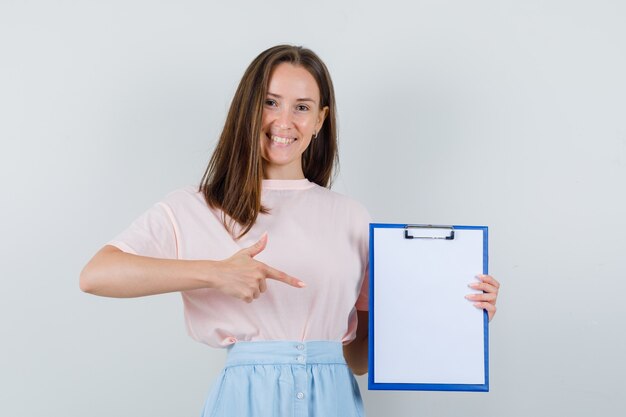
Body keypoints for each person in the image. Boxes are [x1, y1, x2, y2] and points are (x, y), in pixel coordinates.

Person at [80, 44, 500, 417]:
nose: (284, 120)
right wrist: (214, 272)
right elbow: (97, 274)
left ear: (320, 120)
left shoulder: (352, 217)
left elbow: (356, 357)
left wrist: (458, 311)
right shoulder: (197, 206)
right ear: (247, 108)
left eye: (301, 107)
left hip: (334, 398)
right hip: (246, 399)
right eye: (270, 102)